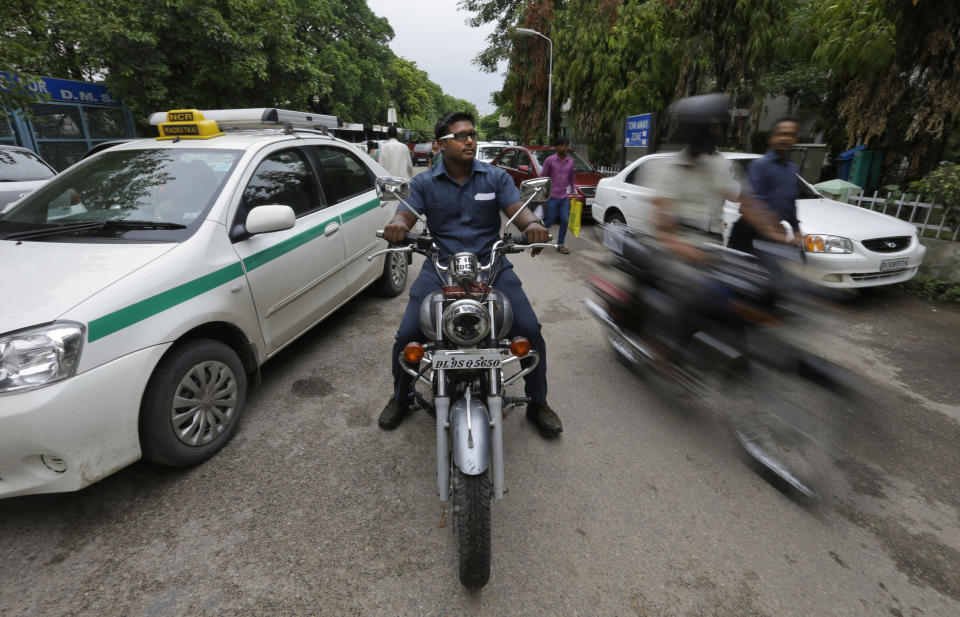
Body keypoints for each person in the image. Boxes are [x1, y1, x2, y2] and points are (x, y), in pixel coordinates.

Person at [379, 111, 563, 438]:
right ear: (440, 144)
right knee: (408, 333)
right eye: (461, 136)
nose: (470, 140)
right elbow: (405, 214)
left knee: (529, 329)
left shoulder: (495, 178)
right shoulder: (423, 182)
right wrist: (397, 225)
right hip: (441, 266)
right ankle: (402, 396)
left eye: (472, 135)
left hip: (489, 265)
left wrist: (534, 227)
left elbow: (518, 212)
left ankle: (538, 402)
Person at [645, 94, 794, 349]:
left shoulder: (720, 166)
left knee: (757, 288)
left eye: (719, 126)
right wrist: (691, 252)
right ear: (694, 129)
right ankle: (668, 349)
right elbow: (664, 231)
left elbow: (747, 203)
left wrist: (781, 234)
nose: (717, 132)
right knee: (703, 293)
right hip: (675, 252)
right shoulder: (665, 169)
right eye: (711, 127)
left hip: (713, 250)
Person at [727, 117, 801, 253]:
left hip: (773, 234)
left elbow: (790, 203)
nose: (786, 138)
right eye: (782, 134)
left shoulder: (792, 169)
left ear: (795, 139)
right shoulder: (760, 165)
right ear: (772, 138)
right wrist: (774, 233)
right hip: (749, 232)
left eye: (791, 135)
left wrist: (796, 230)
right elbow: (754, 203)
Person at [538, 135, 576, 254]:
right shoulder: (549, 160)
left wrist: (574, 191)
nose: (565, 147)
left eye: (566, 145)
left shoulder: (570, 161)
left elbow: (571, 178)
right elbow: (543, 177)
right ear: (557, 147)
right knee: (550, 221)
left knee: (565, 220)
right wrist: (542, 194)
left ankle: (560, 244)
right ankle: (535, 233)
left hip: (564, 197)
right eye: (562, 145)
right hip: (552, 197)